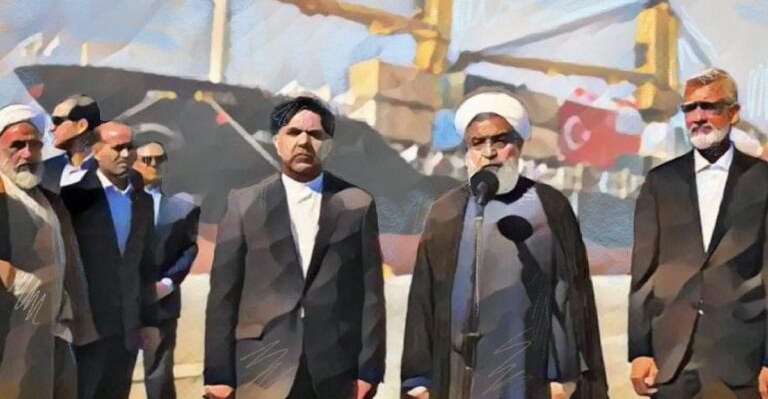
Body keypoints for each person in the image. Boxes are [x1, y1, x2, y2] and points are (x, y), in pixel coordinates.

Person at [401, 89, 608, 399]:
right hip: (459, 377)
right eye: (478, 142)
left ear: (518, 145)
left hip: (529, 378)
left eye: (499, 141)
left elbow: (571, 298)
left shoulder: (549, 206)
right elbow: (423, 298)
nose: (489, 152)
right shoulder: (446, 211)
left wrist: (564, 376)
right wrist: (418, 380)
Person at [204, 95, 386, 399]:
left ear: (329, 145)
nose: (304, 141)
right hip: (260, 368)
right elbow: (223, 295)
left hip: (334, 368)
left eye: (315, 134)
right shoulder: (244, 204)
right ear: (277, 142)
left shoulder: (356, 204)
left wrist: (368, 370)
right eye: (293, 132)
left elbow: (371, 294)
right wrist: (218, 374)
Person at [629, 68, 768, 398]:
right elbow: (643, 273)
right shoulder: (660, 183)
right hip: (670, 361)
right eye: (690, 108)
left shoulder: (763, 180)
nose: (698, 117)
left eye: (709, 106)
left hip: (741, 361)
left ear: (733, 113)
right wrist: (640, 350)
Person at [0, 104, 96, 398]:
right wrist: (25, 286)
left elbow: (70, 261)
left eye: (35, 145)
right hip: (12, 336)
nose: (27, 153)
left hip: (54, 332)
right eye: (17, 145)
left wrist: (77, 318)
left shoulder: (49, 200)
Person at [60, 121, 157, 399]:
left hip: (126, 329)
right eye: (117, 148)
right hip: (86, 327)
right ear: (96, 150)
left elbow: (146, 264)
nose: (125, 154)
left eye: (130, 147)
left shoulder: (142, 200)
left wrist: (149, 320)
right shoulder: (74, 198)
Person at [133, 141, 199, 399]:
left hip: (160, 301)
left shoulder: (183, 206)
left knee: (159, 373)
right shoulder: (116, 200)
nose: (153, 165)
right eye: (146, 159)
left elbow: (189, 248)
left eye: (159, 159)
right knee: (110, 372)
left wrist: (168, 283)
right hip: (118, 301)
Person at [43, 95, 102, 193]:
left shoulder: (108, 165)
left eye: (57, 121)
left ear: (81, 125)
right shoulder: (47, 171)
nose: (52, 128)